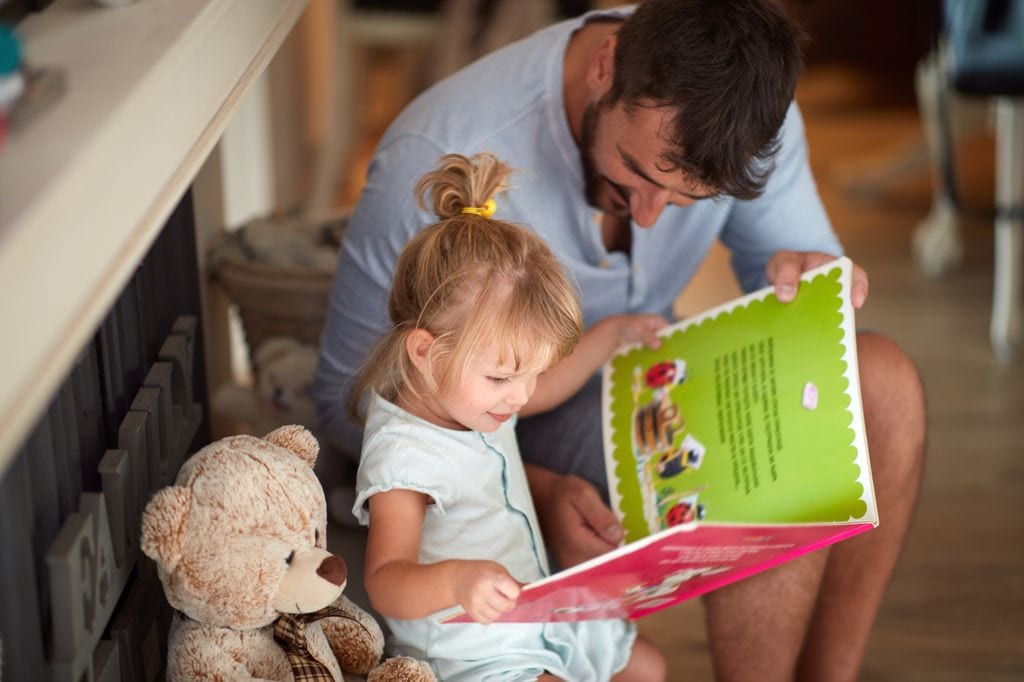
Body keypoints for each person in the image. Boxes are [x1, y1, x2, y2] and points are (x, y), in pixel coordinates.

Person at [315, 1, 927, 679]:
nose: (649, 214)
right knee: (769, 474)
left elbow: (803, 289)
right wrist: (534, 488)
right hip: (507, 425)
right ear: (605, 70)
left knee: (885, 381)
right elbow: (347, 397)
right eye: (635, 174)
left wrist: (809, 282)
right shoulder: (436, 154)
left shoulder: (749, 114)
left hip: (622, 372)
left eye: (687, 200)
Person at [350, 152, 667, 681]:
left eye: (530, 375)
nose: (520, 397)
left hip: (540, 609)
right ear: (425, 352)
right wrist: (456, 581)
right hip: (474, 646)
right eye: (502, 379)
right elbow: (385, 579)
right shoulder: (404, 456)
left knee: (649, 667)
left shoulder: (473, 397)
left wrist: (611, 337)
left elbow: (546, 386)